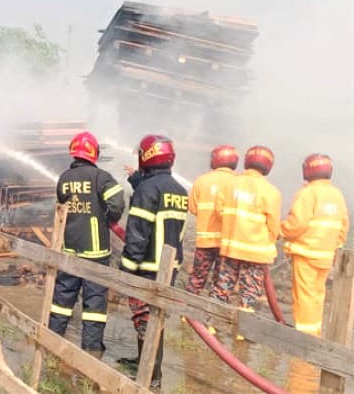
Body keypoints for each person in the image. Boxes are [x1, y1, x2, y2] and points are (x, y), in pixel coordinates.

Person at [48, 131, 125, 359]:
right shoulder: (101, 177)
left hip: (69, 251)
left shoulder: (64, 179)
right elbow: (118, 202)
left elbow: (61, 205)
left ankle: (52, 344)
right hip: (95, 253)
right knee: (94, 306)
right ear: (94, 153)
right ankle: (91, 354)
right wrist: (109, 217)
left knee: (62, 300)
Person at [119, 134, 188, 387]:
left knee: (145, 320)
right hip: (169, 269)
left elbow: (137, 233)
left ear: (146, 156)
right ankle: (145, 365)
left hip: (146, 269)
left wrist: (126, 268)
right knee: (154, 319)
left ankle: (152, 378)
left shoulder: (147, 190)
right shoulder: (179, 191)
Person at [211, 145, 281, 338]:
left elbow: (219, 211)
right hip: (255, 252)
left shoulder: (230, 184)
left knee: (223, 285)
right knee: (249, 292)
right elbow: (274, 226)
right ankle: (242, 333)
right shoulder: (271, 192)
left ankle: (212, 324)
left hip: (230, 247)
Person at [281, 153, 349, 336]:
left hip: (306, 253)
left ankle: (305, 337)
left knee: (304, 297)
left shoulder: (307, 193)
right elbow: (343, 225)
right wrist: (335, 246)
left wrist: (281, 230)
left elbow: (297, 224)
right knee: (318, 295)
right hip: (326, 256)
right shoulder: (336, 194)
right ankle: (315, 330)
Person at [186, 145, 239, 296]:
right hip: (227, 244)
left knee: (196, 279)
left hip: (205, 242)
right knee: (222, 284)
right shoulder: (239, 183)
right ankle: (214, 318)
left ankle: (187, 315)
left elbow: (193, 208)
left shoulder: (202, 181)